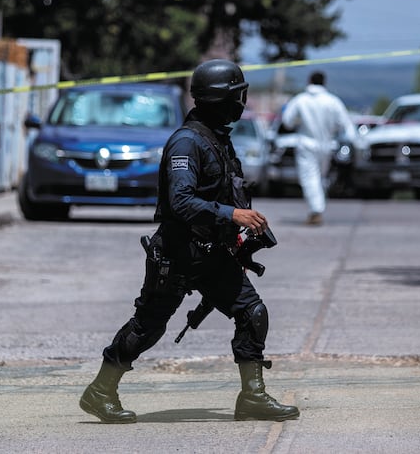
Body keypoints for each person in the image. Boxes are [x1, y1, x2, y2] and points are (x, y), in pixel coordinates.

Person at [79, 59, 299, 423]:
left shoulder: (217, 139)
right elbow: (181, 202)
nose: (241, 103)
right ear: (219, 99)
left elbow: (222, 193)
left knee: (252, 313)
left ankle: (253, 396)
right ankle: (100, 391)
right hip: (178, 253)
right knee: (148, 326)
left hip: (213, 254)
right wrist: (232, 215)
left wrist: (236, 239)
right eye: (237, 96)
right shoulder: (186, 143)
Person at [281, 71, 356, 225]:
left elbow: (287, 121)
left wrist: (298, 121)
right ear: (324, 82)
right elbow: (346, 124)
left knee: (310, 178)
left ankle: (316, 210)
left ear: (309, 81)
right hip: (327, 145)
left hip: (306, 144)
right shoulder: (333, 101)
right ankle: (317, 208)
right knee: (320, 178)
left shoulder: (301, 100)